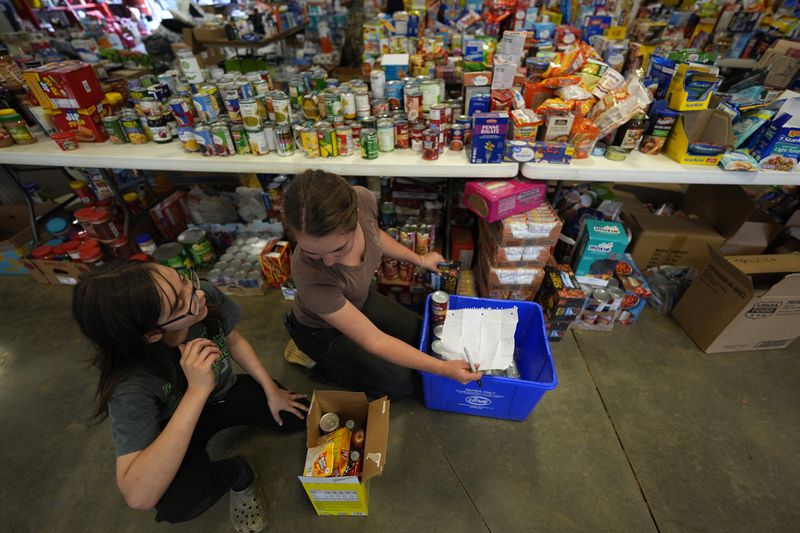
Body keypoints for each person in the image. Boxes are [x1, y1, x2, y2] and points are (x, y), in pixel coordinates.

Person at [72, 261, 308, 532]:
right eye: (179, 303)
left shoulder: (201, 297)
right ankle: (239, 474)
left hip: (225, 393)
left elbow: (234, 340)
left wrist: (271, 390)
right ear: (151, 334)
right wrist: (197, 390)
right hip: (177, 426)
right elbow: (137, 495)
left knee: (296, 415)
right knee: (179, 503)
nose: (197, 294)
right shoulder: (130, 386)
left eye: (183, 280)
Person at [283, 170, 482, 399]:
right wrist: (442, 369)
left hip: (355, 301)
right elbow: (375, 340)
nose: (328, 262)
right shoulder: (311, 277)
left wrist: (420, 259)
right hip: (321, 333)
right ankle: (319, 365)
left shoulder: (362, 200)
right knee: (404, 384)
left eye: (338, 249)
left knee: (423, 336)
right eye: (312, 252)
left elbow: (374, 235)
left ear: (354, 216)